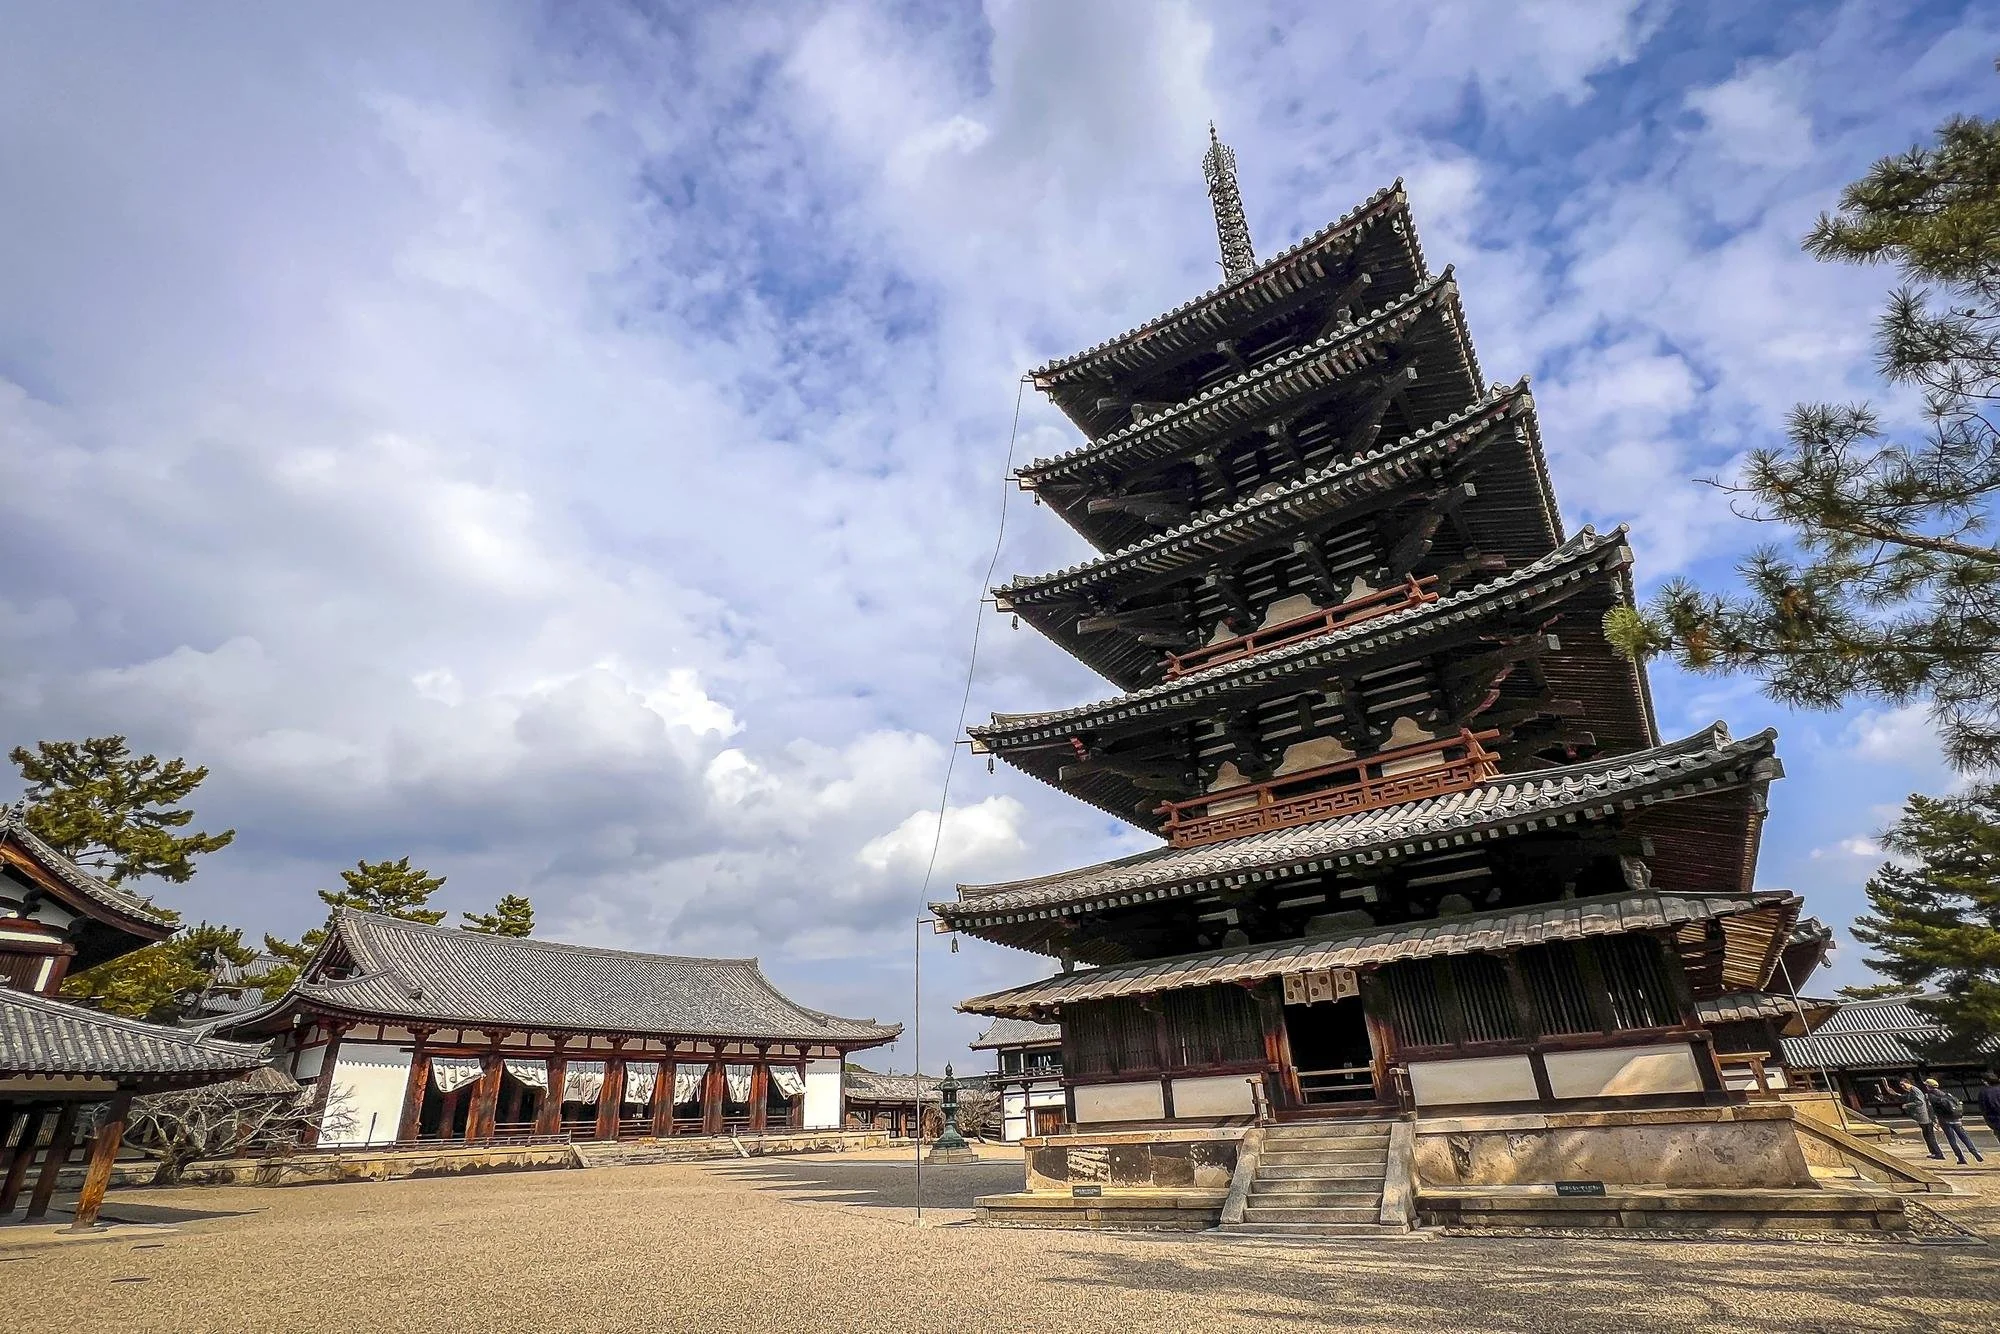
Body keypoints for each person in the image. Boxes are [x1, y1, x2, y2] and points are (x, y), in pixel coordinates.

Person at [1927, 1078, 1984, 1165]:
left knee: (1952, 1140)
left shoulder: (1931, 1096)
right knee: (1964, 1137)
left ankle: (1961, 1158)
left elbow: (1932, 1110)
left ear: (1928, 1086)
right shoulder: (1946, 1094)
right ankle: (1974, 1152)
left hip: (1945, 1121)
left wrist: (1935, 1120)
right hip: (1956, 1119)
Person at [1898, 1077, 1944, 1159]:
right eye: (1901, 1086)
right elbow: (1904, 1097)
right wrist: (1895, 1094)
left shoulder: (1915, 1090)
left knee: (1930, 1136)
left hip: (1925, 1117)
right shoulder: (1910, 1091)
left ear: (1908, 1083)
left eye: (1903, 1085)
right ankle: (1934, 1152)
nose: (1903, 1087)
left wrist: (1907, 1105)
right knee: (1926, 1136)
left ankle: (1938, 1153)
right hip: (1921, 1117)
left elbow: (1920, 1102)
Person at [1980, 1074, 2000, 1147]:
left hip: (1995, 1120)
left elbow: (1983, 1108)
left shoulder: (1984, 1092)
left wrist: (1989, 1122)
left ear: (1985, 1081)